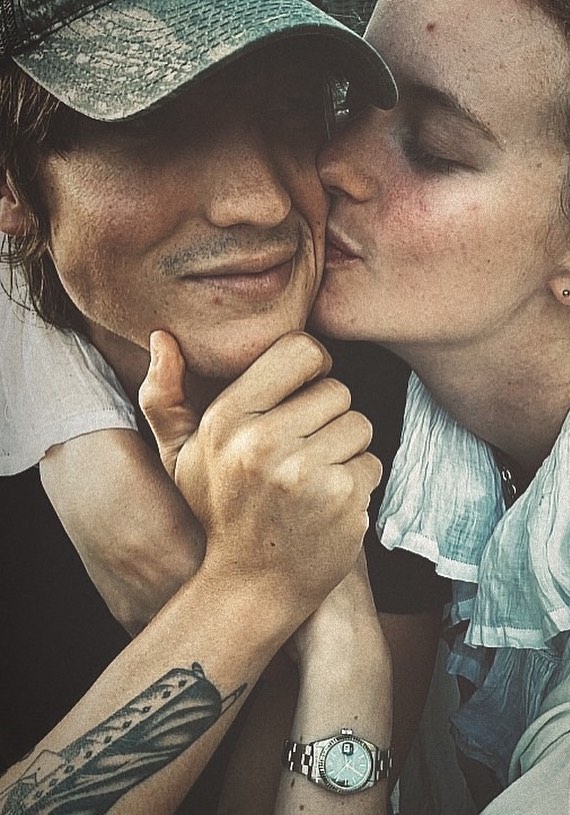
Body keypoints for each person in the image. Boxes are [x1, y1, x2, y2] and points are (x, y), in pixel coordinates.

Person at [0, 1, 418, 812]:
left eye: (292, 107)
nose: (260, 202)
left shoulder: (393, 408)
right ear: (11, 184)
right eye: (155, 124)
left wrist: (341, 639)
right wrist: (254, 585)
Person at [313, 0, 570, 811]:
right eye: (348, 99)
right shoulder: (406, 379)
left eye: (434, 149)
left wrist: (341, 640)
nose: (333, 163)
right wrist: (79, 445)